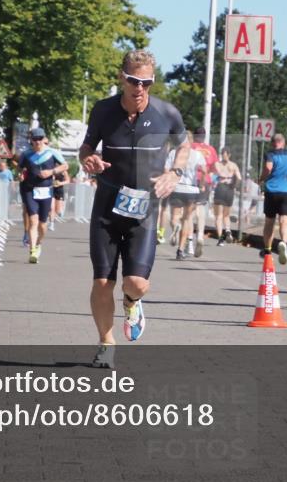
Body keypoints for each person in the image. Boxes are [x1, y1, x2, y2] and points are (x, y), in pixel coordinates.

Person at [79, 50, 189, 368]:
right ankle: (106, 343)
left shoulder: (166, 113)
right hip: (107, 207)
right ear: (122, 78)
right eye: (133, 81)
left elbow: (184, 145)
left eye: (146, 82)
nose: (139, 88)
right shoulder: (103, 110)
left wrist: (175, 173)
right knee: (102, 281)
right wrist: (87, 159)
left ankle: (131, 301)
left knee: (137, 283)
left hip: (144, 210)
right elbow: (86, 147)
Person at [18, 128, 69, 263]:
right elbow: (20, 168)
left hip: (46, 191)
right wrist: (21, 175)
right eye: (35, 139)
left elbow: (65, 166)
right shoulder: (26, 154)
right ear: (31, 140)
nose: (38, 142)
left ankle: (39, 243)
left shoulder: (52, 152)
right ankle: (32, 251)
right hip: (30, 190)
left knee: (42, 224)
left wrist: (51, 172)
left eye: (40, 139)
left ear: (44, 139)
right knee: (33, 221)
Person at [166, 144, 207, 258]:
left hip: (177, 187)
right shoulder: (197, 154)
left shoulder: (173, 153)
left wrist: (168, 182)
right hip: (191, 190)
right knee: (187, 219)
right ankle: (180, 251)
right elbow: (204, 170)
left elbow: (166, 169)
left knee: (175, 217)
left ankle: (176, 226)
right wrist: (202, 184)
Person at [261, 133, 287, 264]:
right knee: (284, 220)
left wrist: (261, 178)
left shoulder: (270, 154)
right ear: (284, 143)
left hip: (271, 191)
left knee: (269, 222)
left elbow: (268, 168)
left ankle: (267, 251)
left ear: (272, 143)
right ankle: (284, 242)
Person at [189, 127, 218, 257]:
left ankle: (189, 241)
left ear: (195, 136)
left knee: (189, 212)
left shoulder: (190, 147)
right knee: (201, 208)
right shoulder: (210, 149)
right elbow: (214, 168)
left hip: (191, 180)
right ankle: (200, 235)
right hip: (205, 181)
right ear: (204, 136)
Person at [212, 148, 240, 246]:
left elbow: (215, 174)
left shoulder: (217, 164)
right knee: (226, 215)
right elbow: (239, 178)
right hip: (229, 189)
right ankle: (227, 230)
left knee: (218, 216)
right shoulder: (233, 165)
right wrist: (234, 185)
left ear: (221, 155)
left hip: (220, 188)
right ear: (229, 155)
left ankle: (220, 239)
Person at [50, 164, 70, 230]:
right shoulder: (51, 169)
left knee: (57, 210)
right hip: (52, 189)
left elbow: (68, 181)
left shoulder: (63, 170)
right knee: (51, 208)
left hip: (59, 190)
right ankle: (51, 224)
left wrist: (60, 183)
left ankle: (60, 212)